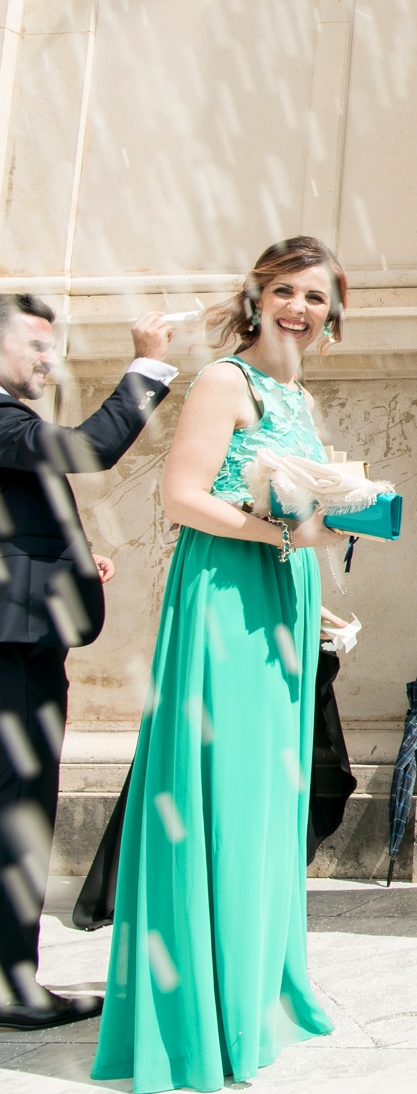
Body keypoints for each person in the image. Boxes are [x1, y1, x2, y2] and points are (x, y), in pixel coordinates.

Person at [92, 238, 350, 1091]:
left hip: (280, 597)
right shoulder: (223, 381)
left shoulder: (295, 394)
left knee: (271, 793)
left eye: (316, 296)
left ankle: (255, 986)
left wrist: (318, 580)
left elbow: (296, 505)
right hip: (223, 602)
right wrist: (281, 532)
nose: (300, 308)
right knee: (226, 788)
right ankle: (204, 1010)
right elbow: (183, 496)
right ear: (256, 295)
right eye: (286, 290)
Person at [0, 298, 174, 1027]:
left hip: (27, 640)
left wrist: (69, 565)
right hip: (12, 655)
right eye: (34, 344)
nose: (49, 359)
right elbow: (86, 450)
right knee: (18, 818)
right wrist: (147, 363)